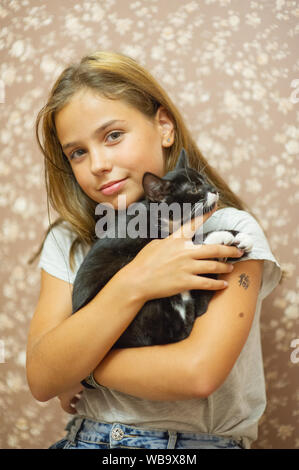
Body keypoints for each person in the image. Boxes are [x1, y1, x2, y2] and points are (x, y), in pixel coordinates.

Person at [26, 51, 281, 450]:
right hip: (84, 440)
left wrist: (84, 366)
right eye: (77, 152)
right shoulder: (70, 239)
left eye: (112, 136)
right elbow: (42, 378)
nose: (98, 164)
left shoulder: (229, 231)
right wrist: (135, 281)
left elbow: (197, 373)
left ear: (164, 127)